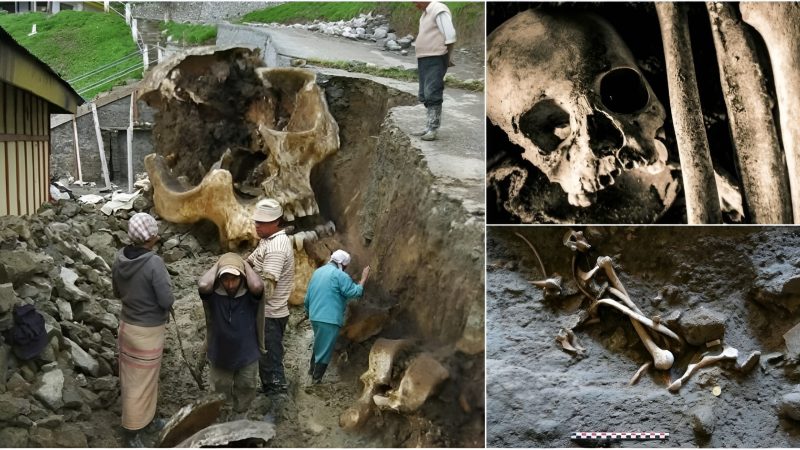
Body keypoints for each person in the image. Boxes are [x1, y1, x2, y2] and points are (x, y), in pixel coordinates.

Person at [112, 212, 174, 447]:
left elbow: (117, 292)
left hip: (127, 327)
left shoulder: (120, 258)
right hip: (148, 332)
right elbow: (166, 299)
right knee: (143, 382)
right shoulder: (153, 263)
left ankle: (147, 419)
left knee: (132, 379)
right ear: (151, 237)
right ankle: (132, 431)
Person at [198, 253, 264, 417]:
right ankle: (222, 420)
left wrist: (243, 263)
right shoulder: (214, 295)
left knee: (246, 387)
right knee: (219, 394)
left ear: (242, 278)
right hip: (220, 355)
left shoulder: (249, 295)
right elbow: (204, 284)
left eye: (234, 279)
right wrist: (219, 262)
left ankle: (240, 416)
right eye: (225, 279)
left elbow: (257, 285)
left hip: (246, 353)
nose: (230, 284)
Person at [247, 198, 295, 394]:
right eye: (257, 221)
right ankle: (269, 386)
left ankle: (277, 394)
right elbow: (249, 262)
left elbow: (267, 290)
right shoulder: (267, 240)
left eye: (263, 222)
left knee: (270, 356)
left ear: (276, 222)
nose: (257, 226)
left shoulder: (276, 248)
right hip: (264, 312)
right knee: (264, 354)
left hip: (270, 314)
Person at [304, 250, 370, 384]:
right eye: (346, 266)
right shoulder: (340, 276)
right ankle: (316, 379)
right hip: (329, 319)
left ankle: (311, 371)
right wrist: (363, 278)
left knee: (319, 343)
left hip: (315, 316)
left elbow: (307, 297)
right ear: (342, 264)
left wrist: (308, 311)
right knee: (325, 349)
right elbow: (355, 292)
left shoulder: (318, 272)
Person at [412, 1, 457, 141]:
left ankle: (433, 128)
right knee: (424, 93)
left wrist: (447, 57)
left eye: (415, 0)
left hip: (436, 57)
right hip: (425, 57)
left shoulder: (438, 9)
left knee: (432, 91)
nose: (414, 3)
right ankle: (428, 126)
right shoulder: (425, 14)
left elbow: (450, 36)